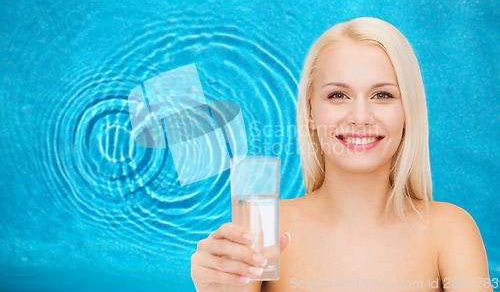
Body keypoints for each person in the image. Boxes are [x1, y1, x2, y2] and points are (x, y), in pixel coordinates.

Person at [190, 17, 492, 292]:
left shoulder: (450, 231)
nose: (360, 117)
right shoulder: (264, 225)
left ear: (408, 111)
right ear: (310, 111)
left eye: (382, 95)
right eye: (338, 95)